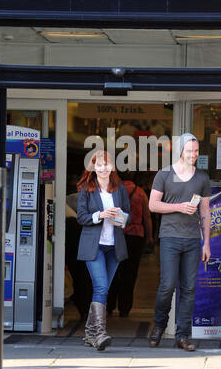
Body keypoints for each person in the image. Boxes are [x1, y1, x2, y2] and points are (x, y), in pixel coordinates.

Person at [148, 133, 211, 351]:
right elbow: (153, 205)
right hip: (170, 238)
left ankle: (182, 335)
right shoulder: (165, 174)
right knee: (167, 286)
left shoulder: (202, 177)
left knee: (189, 289)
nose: (193, 154)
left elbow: (205, 212)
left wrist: (207, 243)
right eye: (189, 150)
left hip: (193, 240)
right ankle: (159, 325)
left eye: (196, 150)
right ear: (180, 150)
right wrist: (178, 206)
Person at [76, 150, 131, 351]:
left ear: (112, 167)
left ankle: (90, 334)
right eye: (99, 164)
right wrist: (101, 214)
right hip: (94, 246)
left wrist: (119, 216)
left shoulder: (120, 189)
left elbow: (128, 217)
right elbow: (81, 217)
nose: (103, 168)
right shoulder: (85, 189)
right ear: (92, 168)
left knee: (104, 288)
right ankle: (99, 333)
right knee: (100, 287)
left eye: (107, 164)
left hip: (114, 245)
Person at [107, 174, 153, 317]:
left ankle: (109, 305)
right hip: (135, 236)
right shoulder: (140, 192)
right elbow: (146, 217)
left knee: (114, 271)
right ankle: (124, 308)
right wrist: (149, 236)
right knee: (130, 272)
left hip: (117, 235)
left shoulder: (114, 190)